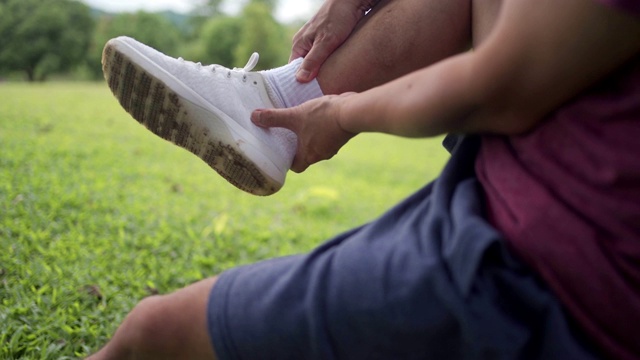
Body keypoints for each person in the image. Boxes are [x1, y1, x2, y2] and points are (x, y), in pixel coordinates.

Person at [89, 0, 640, 358]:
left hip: (546, 275)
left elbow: (505, 85)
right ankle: (276, 99)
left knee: (150, 336)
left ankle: (278, 106)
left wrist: (342, 115)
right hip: (512, 200)